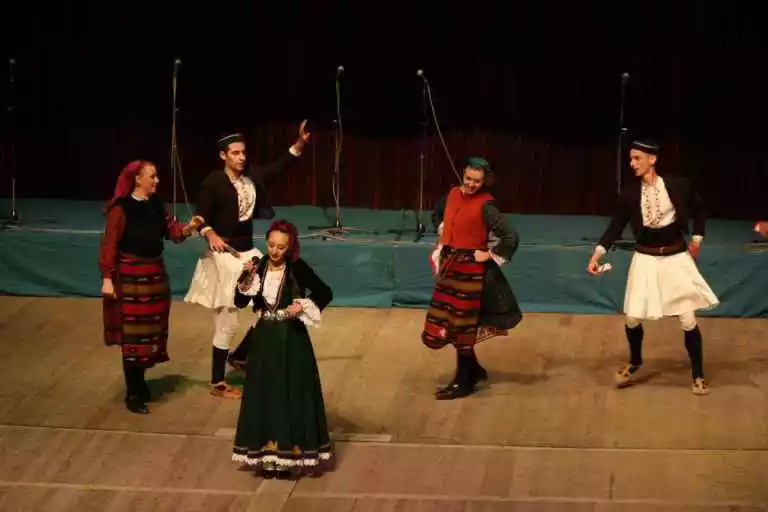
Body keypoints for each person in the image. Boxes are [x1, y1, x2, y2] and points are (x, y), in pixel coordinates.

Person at [184, 121, 311, 398]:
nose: (241, 157)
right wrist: (209, 233)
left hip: (247, 252)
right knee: (228, 320)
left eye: (243, 152)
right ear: (223, 155)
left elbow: (278, 167)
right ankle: (217, 382)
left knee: (269, 307)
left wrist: (299, 144)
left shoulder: (250, 175)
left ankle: (241, 356)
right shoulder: (213, 183)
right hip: (224, 255)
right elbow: (200, 217)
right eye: (235, 153)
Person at [587, 140, 719, 395]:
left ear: (652, 159)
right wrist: (597, 254)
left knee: (687, 318)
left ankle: (698, 375)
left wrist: (697, 238)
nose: (632, 163)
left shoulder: (677, 185)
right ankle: (635, 361)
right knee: (632, 317)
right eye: (631, 158)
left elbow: (701, 208)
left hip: (675, 258)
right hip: (645, 258)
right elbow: (615, 227)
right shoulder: (629, 193)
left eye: (637, 158)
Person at [231, 219, 334, 479]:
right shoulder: (258, 266)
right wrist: (245, 277)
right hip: (264, 340)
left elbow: (324, 292)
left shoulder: (297, 268)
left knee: (290, 393)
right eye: (271, 245)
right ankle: (268, 457)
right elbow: (239, 301)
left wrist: (302, 306)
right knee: (265, 394)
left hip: (291, 340)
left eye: (281, 247)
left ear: (290, 247)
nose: (275, 251)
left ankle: (289, 457)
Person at [99, 160, 201, 414]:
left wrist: (189, 228)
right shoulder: (121, 208)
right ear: (138, 179)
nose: (157, 180)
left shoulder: (157, 204)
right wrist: (107, 278)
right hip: (131, 276)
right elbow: (109, 244)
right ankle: (133, 392)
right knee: (133, 336)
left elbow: (172, 231)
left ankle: (140, 383)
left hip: (154, 274)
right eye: (152, 176)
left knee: (150, 333)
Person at [423, 157, 522, 400]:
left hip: (470, 272)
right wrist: (446, 232)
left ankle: (464, 380)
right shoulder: (453, 194)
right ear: (463, 175)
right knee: (449, 322)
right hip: (451, 267)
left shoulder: (486, 205)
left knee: (462, 326)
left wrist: (488, 254)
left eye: (477, 181)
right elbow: (439, 214)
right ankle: (473, 370)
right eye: (468, 178)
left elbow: (510, 236)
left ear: (484, 181)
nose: (470, 184)